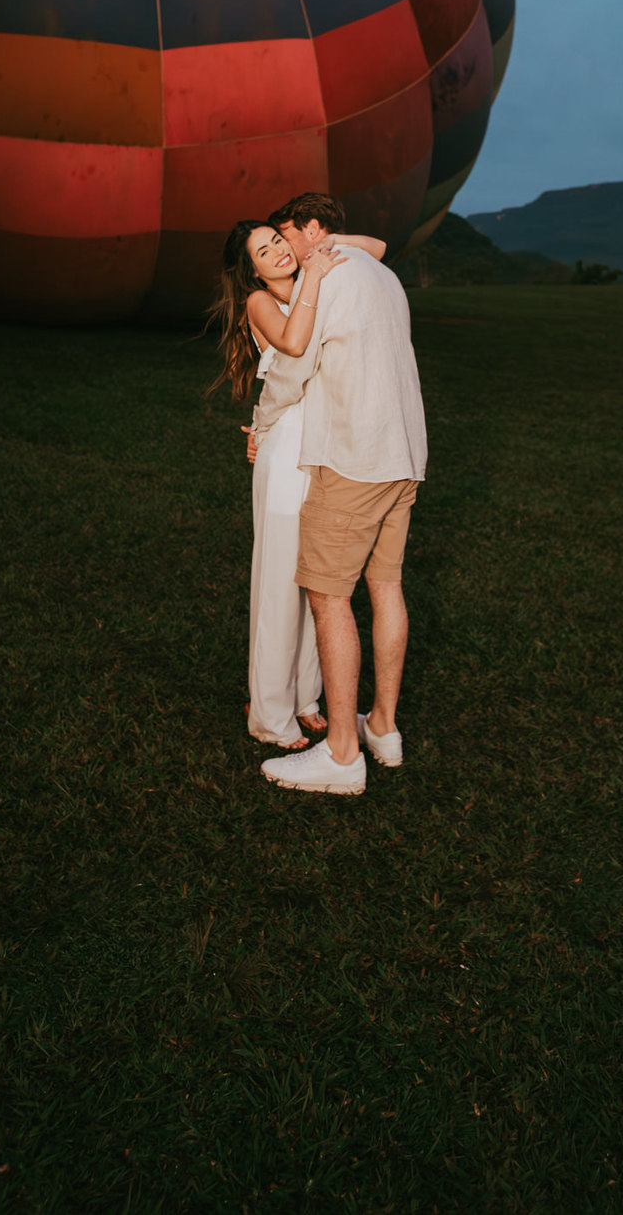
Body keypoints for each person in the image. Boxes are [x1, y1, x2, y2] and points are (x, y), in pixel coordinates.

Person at [250, 192, 427, 795]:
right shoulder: (383, 274)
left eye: (286, 234)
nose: (285, 248)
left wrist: (263, 424)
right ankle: (382, 727)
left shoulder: (322, 279)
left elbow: (292, 370)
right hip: (405, 454)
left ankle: (344, 755)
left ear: (313, 230)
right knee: (387, 589)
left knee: (328, 599)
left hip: (353, 459)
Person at [210, 219, 386, 749]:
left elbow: (377, 248)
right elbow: (293, 343)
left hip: (329, 448)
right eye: (263, 252)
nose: (277, 253)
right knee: (281, 580)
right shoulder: (261, 304)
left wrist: (321, 249)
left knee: (320, 577)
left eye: (278, 241)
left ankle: (306, 695)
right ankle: (268, 711)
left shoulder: (320, 275)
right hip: (287, 448)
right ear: (253, 270)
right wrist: (312, 269)